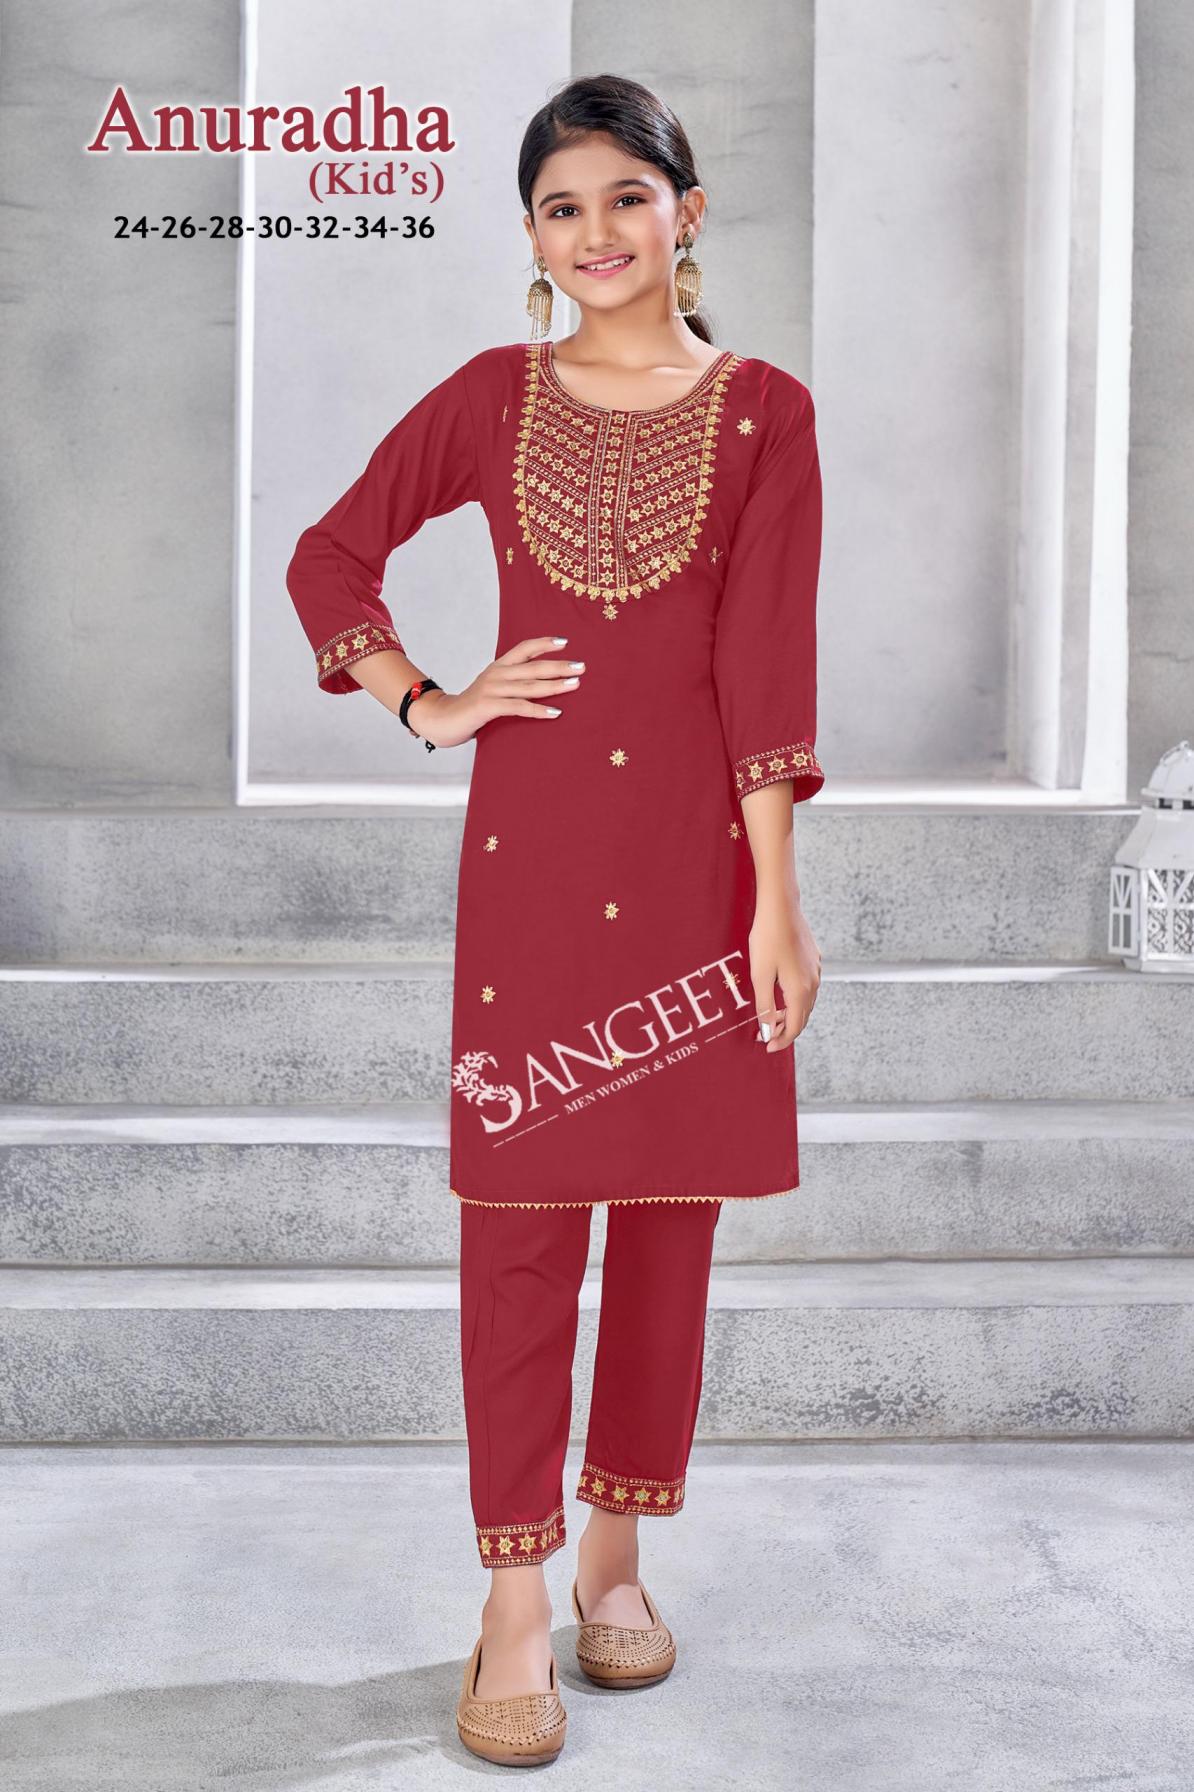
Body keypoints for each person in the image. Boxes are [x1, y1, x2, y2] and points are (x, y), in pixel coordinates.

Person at [285, 72, 825, 1768]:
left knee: (666, 1225)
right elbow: (329, 555)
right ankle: (512, 1599)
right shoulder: (488, 398)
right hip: (533, 862)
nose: (596, 234)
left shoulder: (764, 415)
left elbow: (763, 664)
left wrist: (775, 900)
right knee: (516, 1225)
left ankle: (615, 1556)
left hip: (695, 867)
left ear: (686, 210)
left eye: (625, 197)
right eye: (559, 207)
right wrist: (427, 699)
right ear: (530, 235)